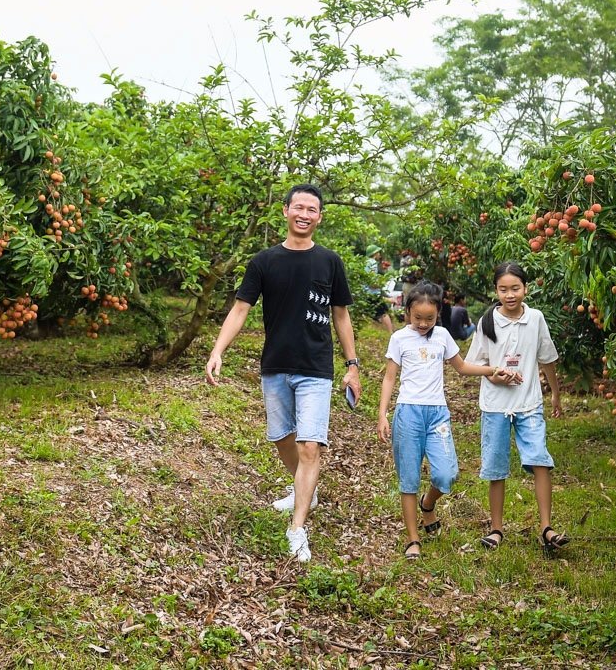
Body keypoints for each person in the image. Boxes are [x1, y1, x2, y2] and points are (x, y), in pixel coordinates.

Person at [205, 184, 361, 563]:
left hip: (317, 368)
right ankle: (303, 486)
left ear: (320, 217)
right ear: (286, 211)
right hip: (275, 364)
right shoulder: (264, 261)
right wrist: (217, 350)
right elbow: (241, 309)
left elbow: (340, 314)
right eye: (299, 207)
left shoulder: (329, 262)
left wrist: (353, 364)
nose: (305, 214)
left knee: (311, 446)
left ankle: (297, 528)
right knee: (281, 438)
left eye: (312, 209)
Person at [377, 282, 511, 559]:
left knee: (447, 473)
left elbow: (461, 367)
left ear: (438, 313)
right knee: (409, 478)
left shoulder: (442, 336)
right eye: (418, 318)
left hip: (437, 413)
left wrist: (491, 370)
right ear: (408, 313)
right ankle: (413, 539)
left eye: (430, 318)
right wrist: (382, 414)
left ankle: (428, 504)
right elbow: (390, 377)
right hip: (408, 413)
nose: (424, 323)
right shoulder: (400, 339)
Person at [463, 261, 567, 554]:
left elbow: (546, 359)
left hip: (529, 403)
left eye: (515, 288)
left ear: (526, 288)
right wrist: (494, 372)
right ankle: (496, 529)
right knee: (496, 468)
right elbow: (472, 365)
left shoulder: (535, 319)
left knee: (540, 460)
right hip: (496, 405)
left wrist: (555, 395)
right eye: (503, 289)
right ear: (495, 290)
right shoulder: (487, 321)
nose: (510, 295)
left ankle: (546, 528)